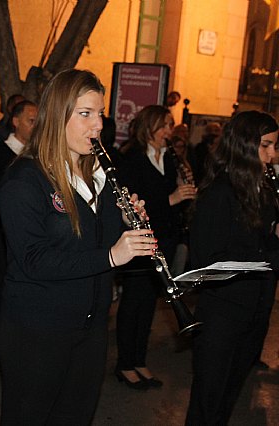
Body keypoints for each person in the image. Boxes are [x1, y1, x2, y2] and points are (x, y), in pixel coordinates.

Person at [0, 69, 156, 424]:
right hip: (37, 330)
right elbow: (35, 261)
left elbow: (95, 239)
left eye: (99, 114)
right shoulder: (24, 180)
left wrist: (127, 223)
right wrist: (113, 255)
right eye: (85, 114)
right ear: (57, 115)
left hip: (91, 326)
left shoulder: (99, 174)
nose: (97, 126)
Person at [185, 111, 279, 425]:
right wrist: (267, 255)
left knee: (228, 397)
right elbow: (206, 259)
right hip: (222, 312)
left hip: (253, 308)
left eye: (274, 146)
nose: (272, 155)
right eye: (266, 145)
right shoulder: (220, 191)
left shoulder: (262, 189)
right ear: (243, 145)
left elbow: (263, 241)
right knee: (208, 401)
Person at [115, 105, 196, 390]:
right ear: (149, 127)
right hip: (140, 240)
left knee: (150, 303)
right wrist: (171, 199)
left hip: (166, 238)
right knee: (134, 302)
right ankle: (125, 363)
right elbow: (133, 203)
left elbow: (170, 196)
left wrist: (183, 191)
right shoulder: (132, 159)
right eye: (163, 125)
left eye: (170, 125)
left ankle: (139, 359)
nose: (168, 132)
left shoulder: (169, 159)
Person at [0, 100, 37, 363]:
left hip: (26, 234)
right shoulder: (2, 154)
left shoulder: (34, 155)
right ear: (15, 121)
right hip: (3, 232)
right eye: (30, 120)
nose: (35, 126)